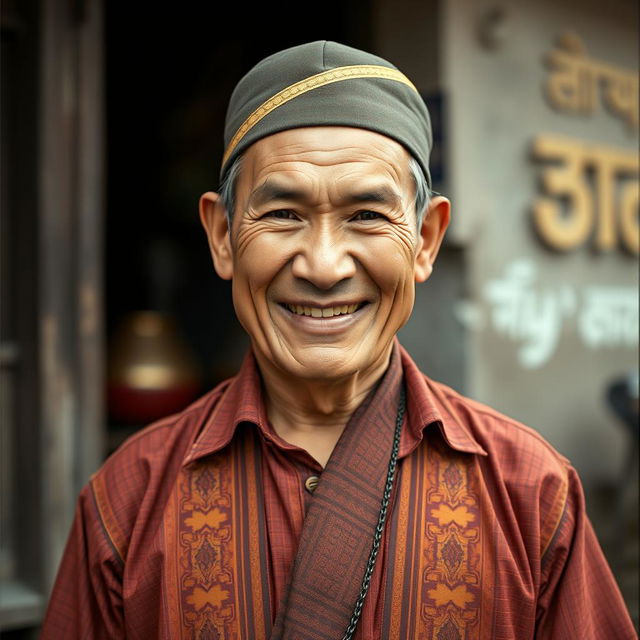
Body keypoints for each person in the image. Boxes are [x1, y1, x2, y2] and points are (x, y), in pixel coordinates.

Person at [41, 41, 636, 640]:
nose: (323, 267)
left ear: (426, 239)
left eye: (367, 216)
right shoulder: (128, 503)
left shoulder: (529, 494)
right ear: (222, 235)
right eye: (282, 214)